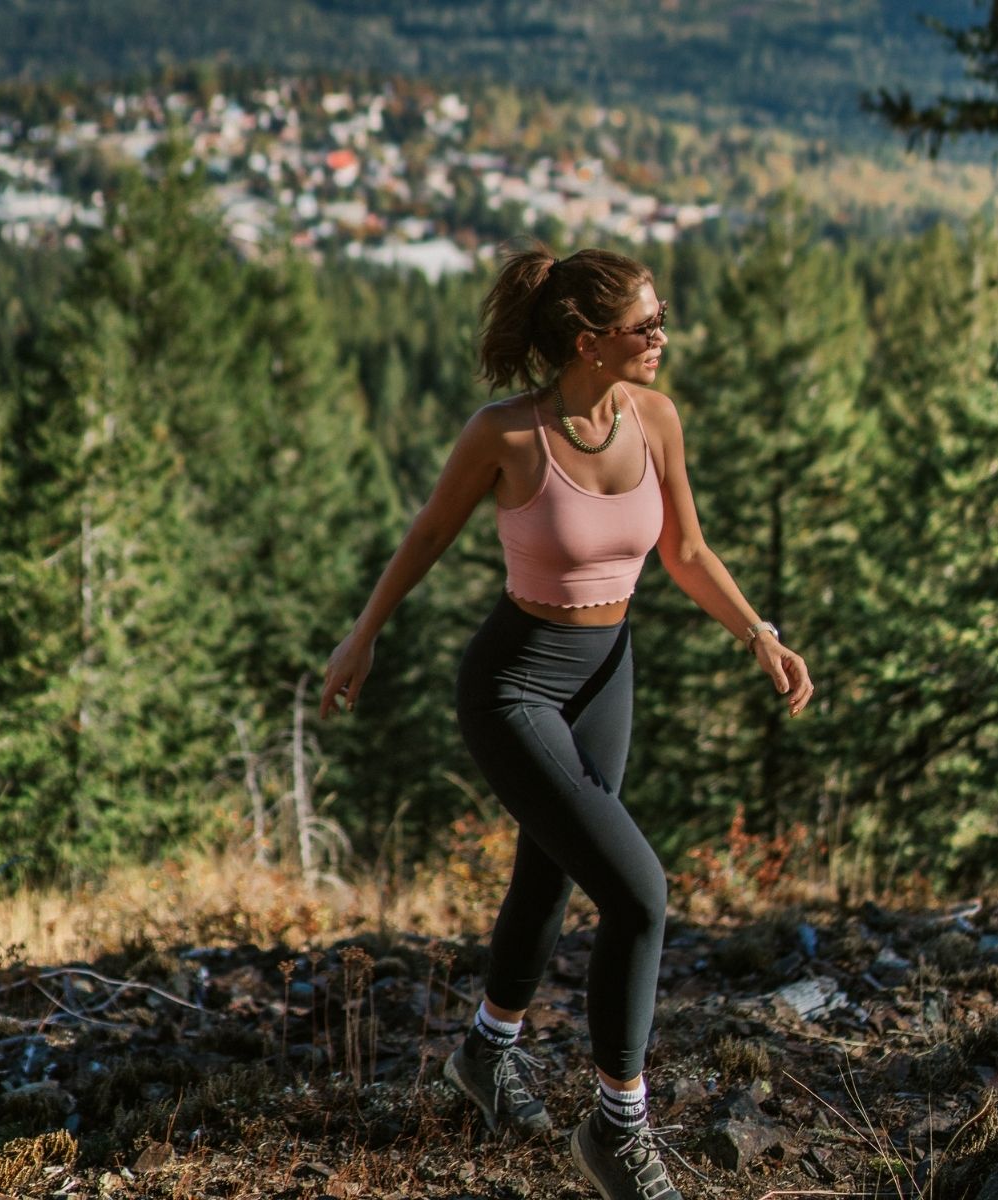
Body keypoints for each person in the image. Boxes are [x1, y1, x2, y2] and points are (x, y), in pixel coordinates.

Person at [320, 243, 813, 1200]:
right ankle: (617, 1129)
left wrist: (759, 633)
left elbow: (686, 550)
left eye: (660, 317)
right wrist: (362, 635)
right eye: (645, 324)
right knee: (639, 895)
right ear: (589, 340)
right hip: (515, 685)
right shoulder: (507, 435)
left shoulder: (656, 419)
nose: (662, 336)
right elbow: (429, 532)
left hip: (606, 674)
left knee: (551, 874)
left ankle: (485, 1051)